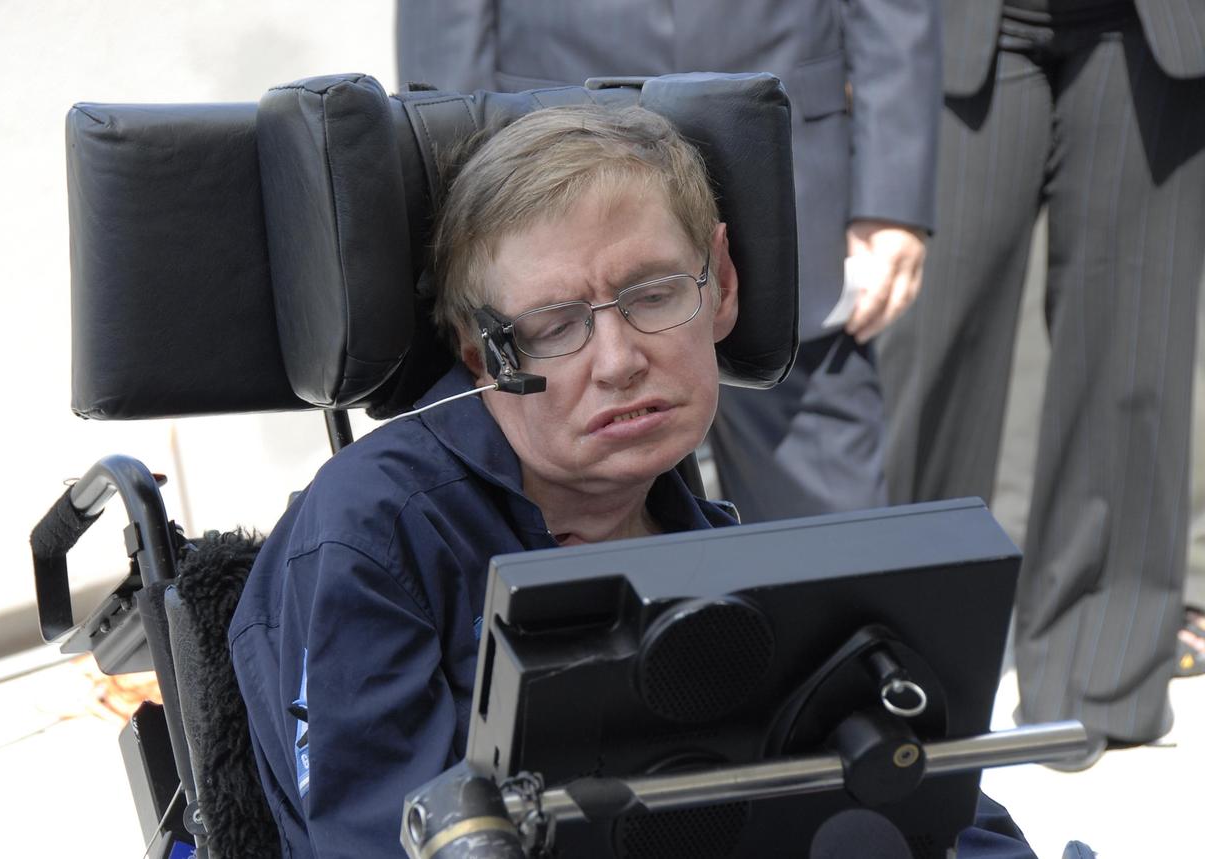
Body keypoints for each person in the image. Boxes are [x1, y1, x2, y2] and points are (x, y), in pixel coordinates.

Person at [229, 105, 1036, 857]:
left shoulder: (717, 548)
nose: (619, 362)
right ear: (482, 353)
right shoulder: (374, 532)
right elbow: (377, 839)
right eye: (555, 326)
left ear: (720, 283)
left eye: (652, 295)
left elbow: (945, 812)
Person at [396, 0, 941, 522]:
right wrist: (461, 194)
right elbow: (446, 29)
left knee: (835, 555)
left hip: (795, 188)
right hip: (552, 198)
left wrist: (890, 197)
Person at [878, 0, 1205, 766]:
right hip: (957, 22)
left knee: (1133, 343)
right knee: (930, 347)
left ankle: (1101, 674)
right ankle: (890, 661)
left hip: (1147, 25)